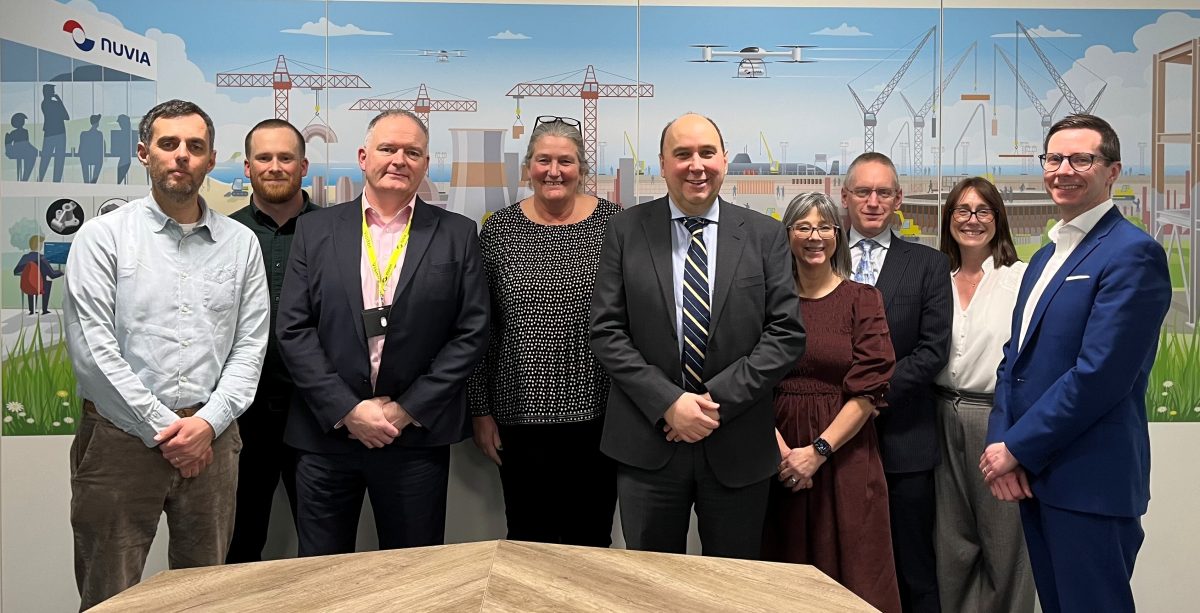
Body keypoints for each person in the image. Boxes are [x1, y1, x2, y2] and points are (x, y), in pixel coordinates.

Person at [62, 99, 269, 610]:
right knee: (109, 591)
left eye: (195, 147)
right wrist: (164, 429)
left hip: (212, 443)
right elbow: (92, 350)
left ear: (211, 158)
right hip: (119, 442)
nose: (182, 156)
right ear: (143, 153)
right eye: (168, 143)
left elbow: (250, 346)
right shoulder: (102, 238)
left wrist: (207, 424)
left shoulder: (240, 244)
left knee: (205, 593)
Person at [589, 113, 805, 559]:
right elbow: (607, 331)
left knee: (731, 585)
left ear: (724, 160)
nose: (696, 165)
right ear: (663, 164)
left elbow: (785, 333)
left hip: (738, 442)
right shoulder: (625, 230)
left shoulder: (764, 235)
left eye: (707, 153)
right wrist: (668, 402)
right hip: (649, 442)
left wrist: (709, 403)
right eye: (682, 154)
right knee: (652, 586)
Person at [982, 114, 1171, 613]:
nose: (1063, 169)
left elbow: (1100, 376)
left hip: (1090, 482)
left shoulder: (1134, 254)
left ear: (1112, 171)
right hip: (1036, 475)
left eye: (1081, 158)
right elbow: (1013, 359)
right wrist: (1000, 442)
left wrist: (1017, 447)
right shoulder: (1046, 255)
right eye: (1054, 158)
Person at [277, 109, 488, 556]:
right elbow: (293, 329)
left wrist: (407, 410)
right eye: (388, 149)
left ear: (426, 165)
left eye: (413, 152)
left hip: (413, 437)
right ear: (363, 156)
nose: (399, 160)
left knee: (413, 576)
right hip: (326, 436)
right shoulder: (314, 231)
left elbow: (471, 332)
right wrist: (347, 409)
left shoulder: (457, 233)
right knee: (320, 575)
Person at [468, 116, 619, 546]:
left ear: (583, 169)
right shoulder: (499, 229)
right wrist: (479, 410)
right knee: (529, 539)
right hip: (519, 416)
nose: (554, 171)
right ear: (527, 168)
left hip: (600, 414)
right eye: (543, 160)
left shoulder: (616, 225)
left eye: (565, 161)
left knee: (593, 539)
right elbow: (483, 326)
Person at [762, 192, 901, 613]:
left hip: (844, 456)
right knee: (782, 573)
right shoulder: (767, 300)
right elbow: (748, 381)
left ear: (837, 236)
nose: (814, 236)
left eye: (824, 227)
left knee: (855, 571)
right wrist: (783, 454)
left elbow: (869, 389)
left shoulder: (863, 299)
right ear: (787, 235)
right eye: (803, 226)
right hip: (774, 454)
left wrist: (817, 452)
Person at [841, 151, 951, 613]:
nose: (872, 201)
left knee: (913, 566)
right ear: (844, 197)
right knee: (838, 564)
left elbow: (931, 352)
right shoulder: (816, 256)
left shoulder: (929, 264)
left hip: (904, 441)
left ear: (898, 199)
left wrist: (866, 399)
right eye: (862, 192)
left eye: (883, 192)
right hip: (830, 441)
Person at [933, 177, 1034, 612]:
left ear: (998, 219)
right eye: (962, 211)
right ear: (948, 218)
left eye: (983, 211)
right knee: (951, 545)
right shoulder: (936, 277)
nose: (971, 220)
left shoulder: (1021, 279)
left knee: (1005, 544)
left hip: (996, 419)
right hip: (938, 414)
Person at [225, 119, 316, 563]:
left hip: (319, 414)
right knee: (237, 546)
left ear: (303, 165)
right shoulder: (223, 235)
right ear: (247, 167)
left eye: (285, 158)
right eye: (264, 158)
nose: (275, 167)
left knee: (324, 548)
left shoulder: (337, 230)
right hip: (241, 415)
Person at [13, 234, 62, 314]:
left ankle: (32, 310)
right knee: (47, 281)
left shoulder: (25, 257)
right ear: (38, 244)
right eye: (41, 243)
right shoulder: (41, 258)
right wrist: (61, 271)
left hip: (28, 286)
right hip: (40, 286)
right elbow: (52, 274)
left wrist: (28, 272)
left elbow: (16, 271)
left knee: (30, 280)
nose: (42, 245)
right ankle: (44, 310)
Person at [38, 83, 68, 182]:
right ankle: (48, 180)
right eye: (52, 91)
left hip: (52, 133)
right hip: (57, 133)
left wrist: (59, 102)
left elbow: (66, 116)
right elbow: (65, 116)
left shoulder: (46, 104)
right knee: (53, 158)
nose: (54, 92)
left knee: (49, 158)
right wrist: (59, 101)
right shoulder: (48, 104)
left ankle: (45, 180)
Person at [5, 112, 38, 181]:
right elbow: (24, 144)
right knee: (31, 155)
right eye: (22, 120)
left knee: (30, 156)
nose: (23, 122)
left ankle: (25, 178)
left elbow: (26, 144)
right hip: (20, 150)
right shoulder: (17, 132)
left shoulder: (23, 131)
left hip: (23, 150)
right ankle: (25, 178)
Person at [79, 114, 105, 183]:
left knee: (86, 178)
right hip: (95, 159)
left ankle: (88, 182)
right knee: (99, 162)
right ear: (97, 123)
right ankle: (93, 182)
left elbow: (81, 148)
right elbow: (102, 148)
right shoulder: (99, 134)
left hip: (86, 159)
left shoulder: (84, 134)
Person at [111, 114, 136, 184]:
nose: (120, 125)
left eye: (120, 123)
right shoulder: (129, 134)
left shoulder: (131, 134)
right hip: (124, 158)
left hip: (126, 159)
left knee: (120, 178)